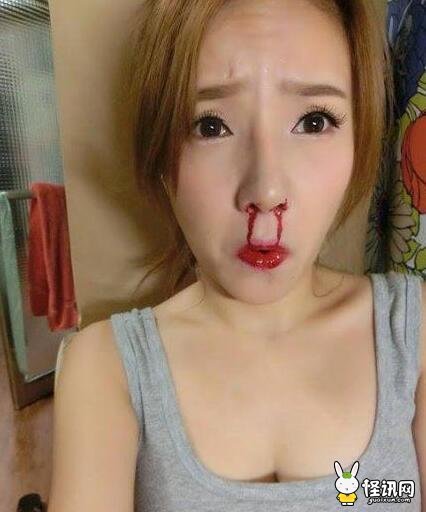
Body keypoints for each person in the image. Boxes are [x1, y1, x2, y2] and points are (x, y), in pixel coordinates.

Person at [47, 1, 426, 511]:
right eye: (210, 126)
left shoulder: (414, 332)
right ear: (159, 153)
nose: (266, 191)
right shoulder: (106, 368)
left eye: (314, 121)